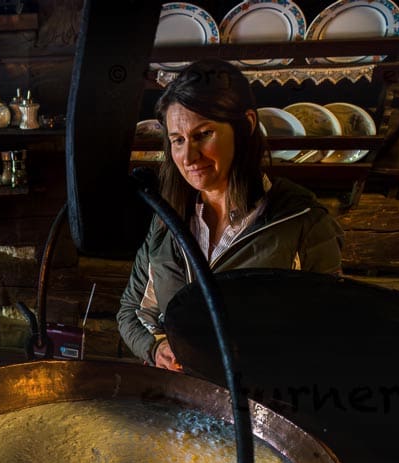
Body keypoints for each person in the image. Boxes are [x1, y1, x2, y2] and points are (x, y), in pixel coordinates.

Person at [117, 60, 343, 371]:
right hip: (181, 399)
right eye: (178, 140)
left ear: (246, 125)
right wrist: (156, 347)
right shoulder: (168, 219)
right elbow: (132, 311)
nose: (188, 157)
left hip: (258, 405)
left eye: (203, 134)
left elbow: (327, 331)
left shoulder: (301, 221)